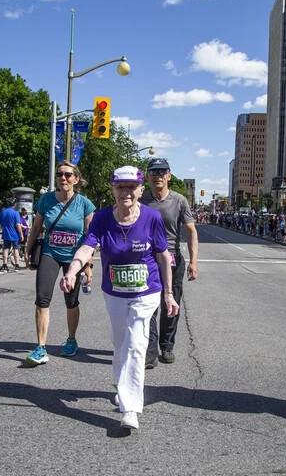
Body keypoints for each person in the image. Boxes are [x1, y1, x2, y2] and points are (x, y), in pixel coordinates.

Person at [60, 166, 178, 430]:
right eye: (120, 187)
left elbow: (162, 256)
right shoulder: (102, 218)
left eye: (131, 187)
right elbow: (88, 246)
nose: (126, 192)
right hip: (114, 292)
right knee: (120, 344)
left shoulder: (152, 217)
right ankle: (124, 386)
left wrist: (169, 294)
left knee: (136, 345)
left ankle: (130, 408)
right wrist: (72, 271)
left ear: (140, 190)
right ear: (113, 189)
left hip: (147, 291)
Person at [23, 161, 95, 364]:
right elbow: (36, 228)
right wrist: (27, 249)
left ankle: (71, 340)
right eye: (59, 174)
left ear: (76, 179)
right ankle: (40, 347)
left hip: (75, 257)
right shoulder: (46, 200)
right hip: (50, 253)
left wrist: (88, 265)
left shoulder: (85, 204)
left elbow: (90, 237)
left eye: (68, 175)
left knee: (71, 301)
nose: (63, 178)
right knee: (42, 298)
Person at [140, 157, 198, 368]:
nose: (158, 176)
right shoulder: (141, 199)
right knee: (148, 305)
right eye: (153, 172)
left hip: (173, 259)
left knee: (170, 305)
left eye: (162, 172)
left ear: (169, 176)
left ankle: (166, 346)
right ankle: (150, 350)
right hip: (146, 259)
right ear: (147, 177)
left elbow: (191, 231)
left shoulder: (179, 200)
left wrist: (193, 262)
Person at [0, 197, 23, 271]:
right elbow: (18, 225)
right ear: (14, 204)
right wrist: (21, 234)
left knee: (5, 249)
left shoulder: (3, 212)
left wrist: (3, 228)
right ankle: (17, 265)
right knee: (16, 249)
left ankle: (5, 265)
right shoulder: (15, 213)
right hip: (15, 235)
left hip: (6, 234)